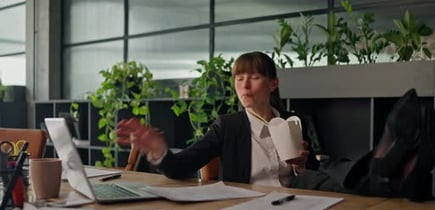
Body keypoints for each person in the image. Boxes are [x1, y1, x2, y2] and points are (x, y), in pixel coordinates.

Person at [116, 51, 319, 186]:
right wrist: (159, 149)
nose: (244, 86)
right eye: (239, 79)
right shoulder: (227, 126)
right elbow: (180, 167)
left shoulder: (292, 121)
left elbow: (315, 176)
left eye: (254, 78)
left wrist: (301, 166)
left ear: (273, 83)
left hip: (294, 206)